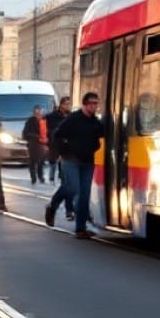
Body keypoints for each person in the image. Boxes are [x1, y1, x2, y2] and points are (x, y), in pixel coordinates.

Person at [45, 91, 104, 238]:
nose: (94, 106)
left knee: (84, 194)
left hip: (87, 161)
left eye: (96, 104)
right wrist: (63, 151)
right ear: (85, 104)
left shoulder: (95, 122)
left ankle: (80, 228)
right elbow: (57, 135)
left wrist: (95, 147)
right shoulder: (73, 118)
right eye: (92, 103)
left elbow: (101, 136)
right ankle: (52, 206)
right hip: (71, 159)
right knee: (73, 187)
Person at [44, 97, 71, 184]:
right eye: (66, 104)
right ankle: (52, 178)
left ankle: (62, 178)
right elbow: (45, 128)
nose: (68, 106)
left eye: (69, 104)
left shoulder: (71, 116)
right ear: (61, 105)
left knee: (64, 162)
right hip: (54, 142)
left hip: (66, 143)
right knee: (53, 162)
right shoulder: (52, 116)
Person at [22, 105, 49, 185]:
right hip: (33, 144)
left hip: (42, 144)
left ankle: (41, 177)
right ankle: (33, 177)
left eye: (40, 113)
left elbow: (48, 131)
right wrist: (36, 136)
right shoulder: (30, 121)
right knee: (32, 161)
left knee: (41, 162)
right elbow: (25, 133)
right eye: (37, 113)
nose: (39, 115)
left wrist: (48, 139)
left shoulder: (44, 120)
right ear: (34, 113)